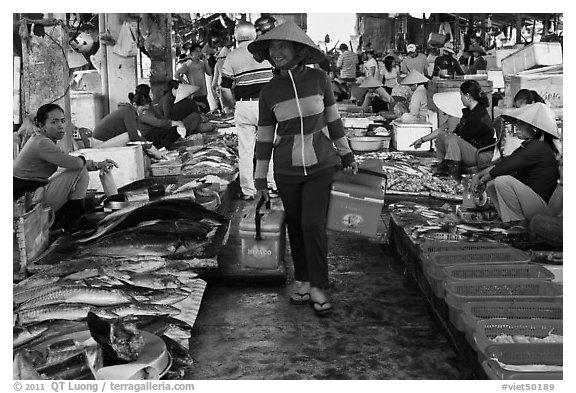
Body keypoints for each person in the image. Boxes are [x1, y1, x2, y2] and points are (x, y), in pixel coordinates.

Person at [248, 21, 359, 316]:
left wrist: (347, 156)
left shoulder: (320, 79)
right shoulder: (269, 92)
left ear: (298, 50)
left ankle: (320, 284)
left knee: (312, 224)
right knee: (296, 226)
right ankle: (303, 279)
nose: (275, 51)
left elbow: (334, 122)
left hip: (322, 164)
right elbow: (263, 138)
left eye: (282, 46)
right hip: (286, 170)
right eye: (272, 47)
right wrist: (259, 180)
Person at [13, 104, 118, 231]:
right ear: (41, 125)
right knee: (80, 171)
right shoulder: (41, 142)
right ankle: (75, 221)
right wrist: (88, 163)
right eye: (54, 122)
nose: (60, 126)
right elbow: (76, 164)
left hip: (30, 196)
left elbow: (67, 161)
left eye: (63, 121)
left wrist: (97, 164)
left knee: (76, 170)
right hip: (26, 203)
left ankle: (68, 218)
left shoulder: (42, 140)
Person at [471, 103, 560, 223]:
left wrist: (482, 180)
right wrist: (478, 176)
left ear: (534, 128)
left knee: (502, 181)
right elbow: (505, 162)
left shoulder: (539, 146)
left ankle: (517, 224)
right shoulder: (531, 144)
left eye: (521, 124)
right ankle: (508, 220)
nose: (516, 127)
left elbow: (508, 165)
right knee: (492, 183)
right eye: (516, 123)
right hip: (532, 202)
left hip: (541, 206)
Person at [221, 21, 277, 200]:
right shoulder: (266, 52)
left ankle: (248, 191)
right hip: (266, 105)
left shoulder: (231, 56)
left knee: (245, 150)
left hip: (243, 106)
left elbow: (225, 88)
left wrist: (233, 105)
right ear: (254, 34)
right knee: (268, 148)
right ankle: (270, 185)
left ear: (236, 36)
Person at [412, 80, 494, 180]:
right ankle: (444, 165)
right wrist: (424, 139)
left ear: (467, 96)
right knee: (443, 135)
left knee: (451, 139)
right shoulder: (469, 112)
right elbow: (454, 132)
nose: (461, 99)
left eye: (461, 95)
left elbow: (461, 136)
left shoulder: (478, 115)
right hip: (472, 148)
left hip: (481, 154)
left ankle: (452, 174)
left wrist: (450, 136)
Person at [92, 94, 164, 159]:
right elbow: (133, 137)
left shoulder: (128, 110)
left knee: (138, 135)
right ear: (135, 105)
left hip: (104, 141)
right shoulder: (129, 112)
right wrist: (151, 148)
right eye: (143, 110)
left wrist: (151, 148)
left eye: (146, 110)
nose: (144, 113)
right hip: (99, 144)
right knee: (132, 136)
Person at [175, 43, 213, 113]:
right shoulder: (188, 63)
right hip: (194, 93)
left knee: (207, 113)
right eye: (197, 51)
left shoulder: (202, 63)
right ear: (192, 53)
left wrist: (205, 61)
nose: (199, 53)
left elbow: (209, 73)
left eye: (200, 51)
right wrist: (186, 83)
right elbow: (176, 74)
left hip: (203, 92)